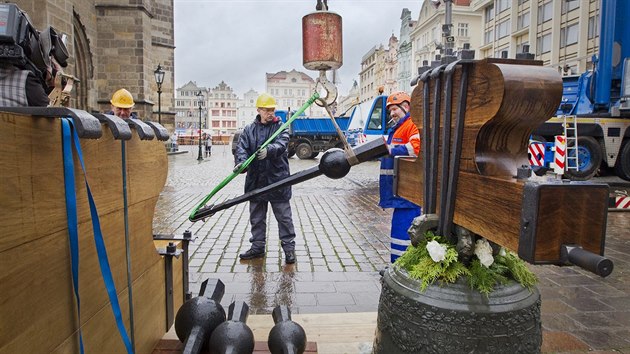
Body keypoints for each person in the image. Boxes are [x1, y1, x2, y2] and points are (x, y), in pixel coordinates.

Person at [234, 93, 296, 264]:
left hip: (278, 180)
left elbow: (282, 144)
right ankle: (257, 247)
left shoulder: (281, 127)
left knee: (284, 218)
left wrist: (269, 151)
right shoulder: (248, 130)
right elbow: (241, 149)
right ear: (259, 110)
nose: (271, 113)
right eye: (267, 110)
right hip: (256, 181)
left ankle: (289, 249)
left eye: (272, 110)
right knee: (257, 217)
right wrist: (241, 163)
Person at [379, 91, 422, 263]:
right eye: (390, 111)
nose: (392, 114)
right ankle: (396, 265)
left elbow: (416, 148)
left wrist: (390, 150)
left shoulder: (412, 124)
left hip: (408, 192)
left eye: (394, 109)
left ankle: (402, 267)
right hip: (400, 192)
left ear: (406, 107)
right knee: (398, 233)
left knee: (403, 233)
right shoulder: (398, 128)